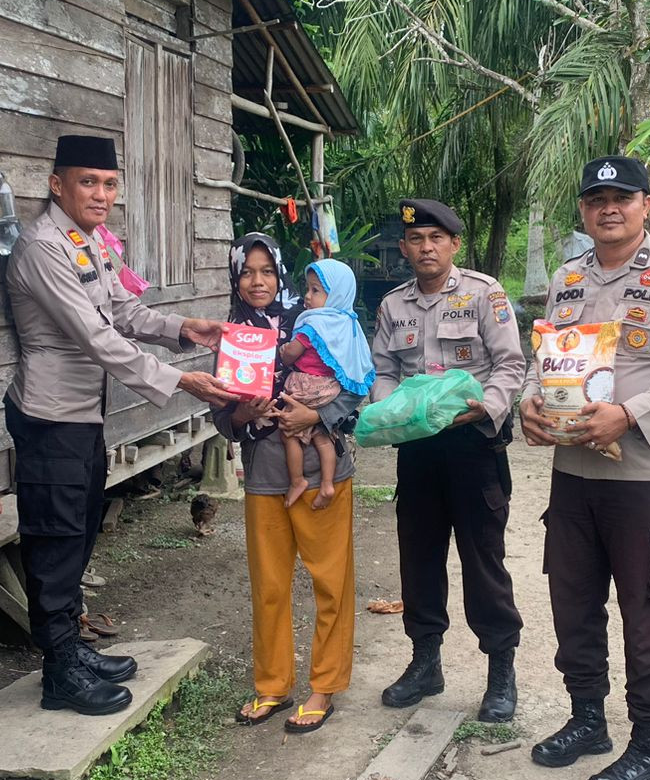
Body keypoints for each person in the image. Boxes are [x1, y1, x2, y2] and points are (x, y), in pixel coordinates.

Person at [4, 134, 233, 716]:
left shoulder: (91, 243)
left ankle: (70, 648)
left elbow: (125, 311)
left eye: (109, 184)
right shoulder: (41, 247)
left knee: (78, 534)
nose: (102, 194)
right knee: (55, 542)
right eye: (88, 182)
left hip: (83, 416)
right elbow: (96, 336)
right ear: (58, 185)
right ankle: (59, 672)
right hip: (49, 415)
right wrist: (179, 380)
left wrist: (186, 328)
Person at [520, 156, 650, 780]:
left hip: (643, 476)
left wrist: (629, 415)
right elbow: (544, 357)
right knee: (572, 603)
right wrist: (529, 401)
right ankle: (587, 719)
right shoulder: (568, 276)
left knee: (645, 613)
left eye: (622, 197)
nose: (609, 207)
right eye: (596, 198)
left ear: (646, 205)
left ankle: (648, 746)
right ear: (583, 209)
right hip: (573, 471)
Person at [370, 199, 527, 722]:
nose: (426, 247)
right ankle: (425, 662)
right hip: (417, 449)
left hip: (473, 446)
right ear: (404, 248)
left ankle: (500, 670)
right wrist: (391, 407)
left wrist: (488, 407)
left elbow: (510, 363)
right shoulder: (394, 306)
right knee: (419, 557)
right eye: (416, 240)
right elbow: (384, 368)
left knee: (484, 561)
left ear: (453, 244)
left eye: (436, 238)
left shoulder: (485, 294)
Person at [217, 234, 360, 734]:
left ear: (282, 276)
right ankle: (273, 685)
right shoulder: (230, 334)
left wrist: (316, 413)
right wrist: (240, 411)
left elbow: (354, 385)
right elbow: (222, 419)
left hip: (324, 469)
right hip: (263, 469)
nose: (258, 282)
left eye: (267, 272)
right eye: (247, 272)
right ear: (236, 278)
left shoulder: (319, 318)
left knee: (330, 579)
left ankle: (324, 686)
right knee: (270, 585)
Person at [275, 260, 374, 508]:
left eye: (315, 290)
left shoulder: (313, 324)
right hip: (330, 390)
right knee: (323, 437)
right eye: (307, 289)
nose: (307, 297)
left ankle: (297, 480)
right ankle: (328, 484)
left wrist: (284, 350)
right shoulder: (347, 325)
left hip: (306, 387)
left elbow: (291, 355)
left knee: (289, 433)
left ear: (336, 294)